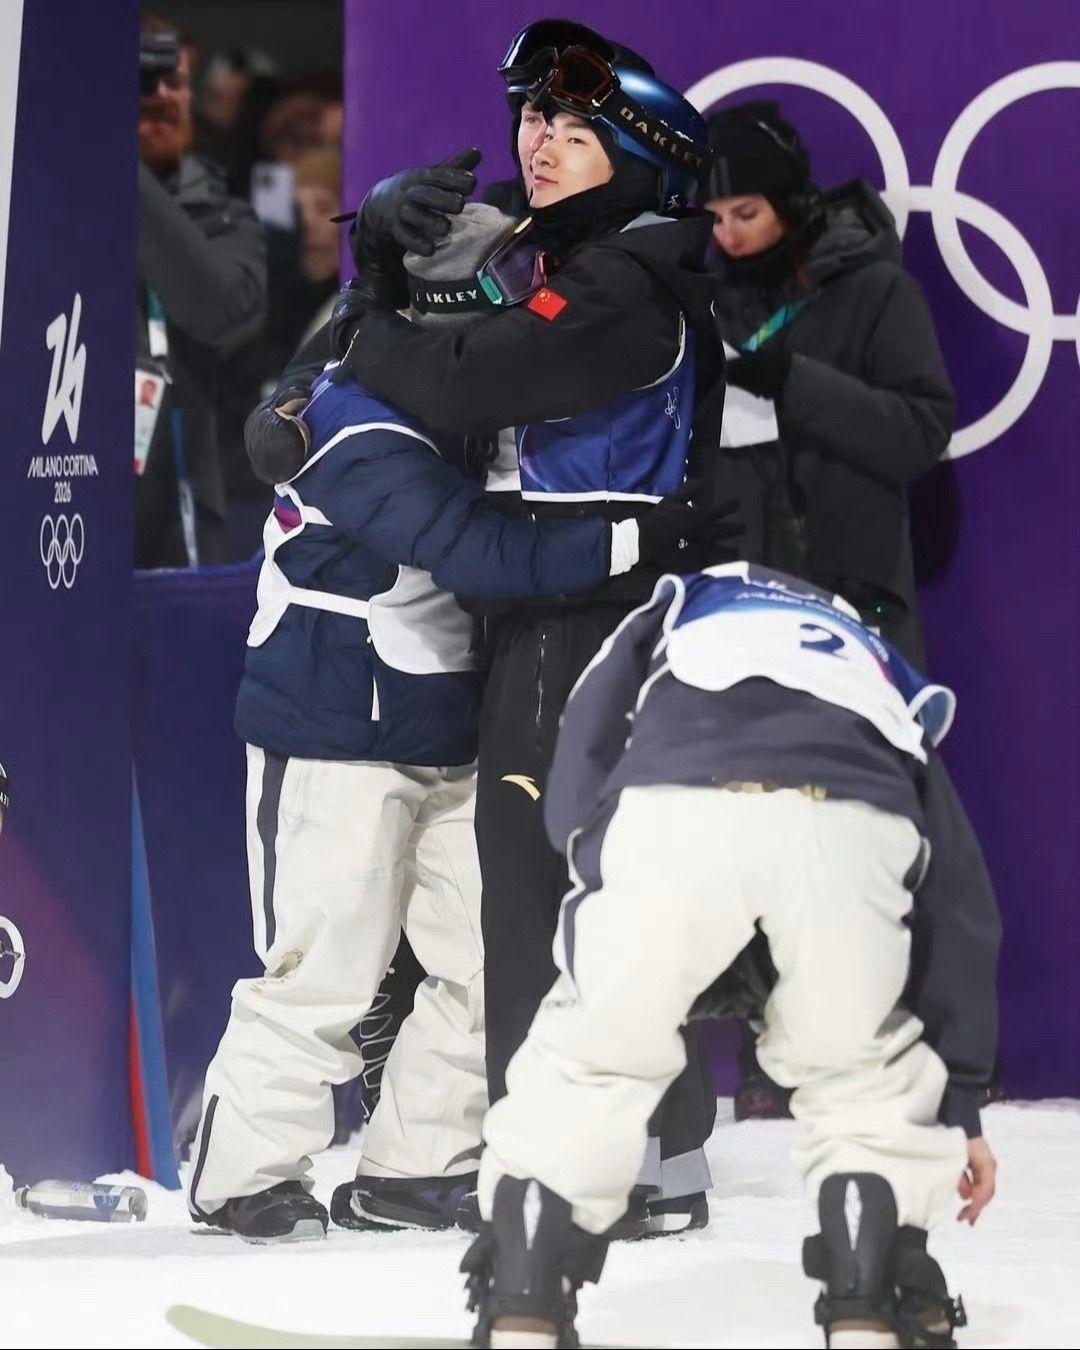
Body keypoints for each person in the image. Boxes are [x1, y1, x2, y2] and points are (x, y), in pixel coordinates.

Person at [246, 22, 724, 1237]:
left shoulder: (621, 277)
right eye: (532, 122)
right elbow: (472, 297)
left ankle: (585, 1170)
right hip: (551, 621)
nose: (537, 145)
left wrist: (352, 346)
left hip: (582, 626)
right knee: (553, 902)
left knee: (544, 902)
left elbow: (464, 382)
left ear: (640, 154)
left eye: (573, 131)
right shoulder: (590, 247)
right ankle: (612, 1160)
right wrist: (382, 250)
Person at [463, 562, 1000, 1350]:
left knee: (590, 1062)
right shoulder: (872, 661)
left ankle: (524, 1302)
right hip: (847, 810)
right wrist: (957, 1100)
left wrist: (610, 903)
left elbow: (581, 749)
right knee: (863, 1079)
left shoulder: (674, 607)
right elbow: (958, 901)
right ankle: (869, 1309)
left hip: (674, 798)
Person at [698, 101, 958, 1120]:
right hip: (741, 606)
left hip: (853, 611)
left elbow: (920, 430)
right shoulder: (700, 296)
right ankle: (773, 1057)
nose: (730, 236)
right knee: (752, 842)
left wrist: (794, 382)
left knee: (857, 840)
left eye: (748, 212)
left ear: (794, 202)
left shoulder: (873, 289)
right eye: (714, 217)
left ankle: (874, 1055)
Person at [136, 17, 267, 568]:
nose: (166, 97)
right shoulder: (54, 214)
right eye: (144, 80)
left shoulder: (225, 217)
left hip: (180, 525)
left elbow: (218, 312)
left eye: (178, 81)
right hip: (58, 504)